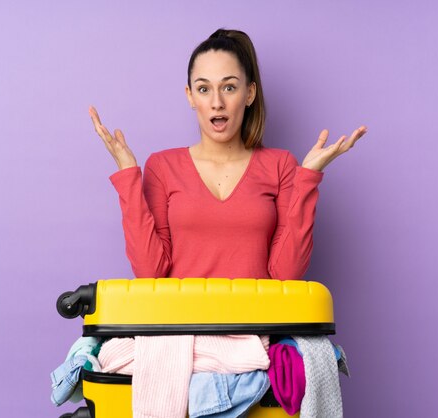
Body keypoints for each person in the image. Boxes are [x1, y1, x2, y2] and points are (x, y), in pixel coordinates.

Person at [88, 28, 367, 281]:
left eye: (229, 87)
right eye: (204, 89)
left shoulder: (280, 165)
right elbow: (150, 273)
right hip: (180, 326)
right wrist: (127, 175)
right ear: (190, 96)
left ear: (249, 94)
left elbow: (286, 274)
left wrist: (307, 178)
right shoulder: (162, 166)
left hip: (255, 326)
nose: (217, 103)